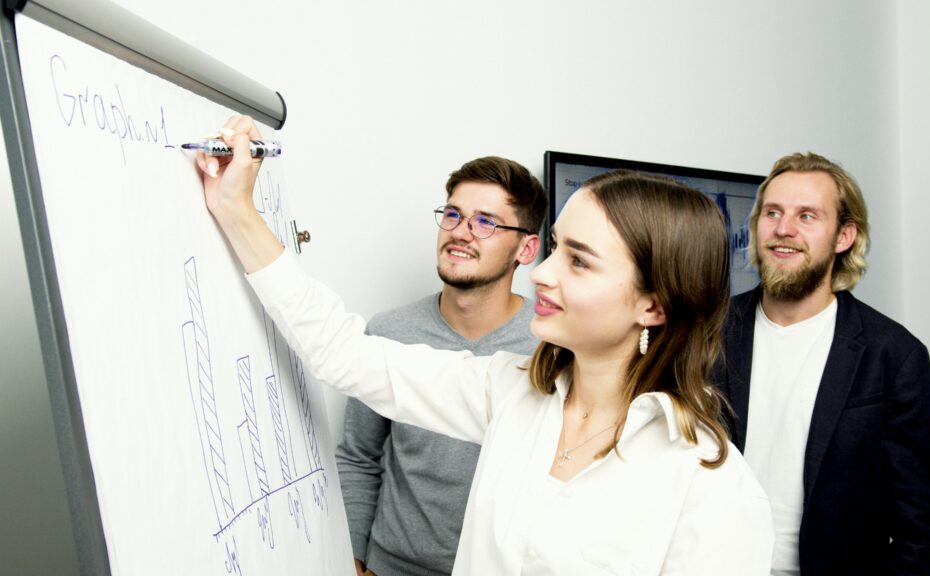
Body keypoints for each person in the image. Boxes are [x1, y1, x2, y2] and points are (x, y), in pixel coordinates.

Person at [197, 116, 773, 574]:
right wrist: (236, 210)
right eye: (555, 249)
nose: (544, 274)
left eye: (578, 261)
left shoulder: (708, 482)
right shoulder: (512, 392)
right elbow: (346, 355)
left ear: (653, 304)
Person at [713, 152, 930, 575]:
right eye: (773, 213)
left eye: (807, 216)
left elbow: (920, 527)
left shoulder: (893, 355)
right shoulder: (707, 334)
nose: (783, 230)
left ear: (844, 237)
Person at [335, 156, 546, 576]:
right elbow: (359, 456)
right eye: (453, 215)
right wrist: (354, 558)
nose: (460, 233)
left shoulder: (549, 349)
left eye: (485, 222)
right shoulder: (388, 331)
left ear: (525, 248)